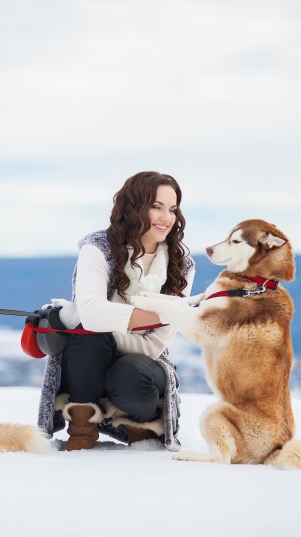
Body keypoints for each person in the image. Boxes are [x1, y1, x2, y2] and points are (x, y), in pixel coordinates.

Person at [36, 171, 196, 451]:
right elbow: (92, 315)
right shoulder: (99, 248)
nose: (166, 218)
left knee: (130, 370)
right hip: (89, 357)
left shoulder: (181, 264)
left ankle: (139, 429)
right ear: (134, 206)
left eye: (172, 209)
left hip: (143, 363)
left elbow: (154, 345)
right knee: (87, 335)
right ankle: (82, 430)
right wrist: (168, 313)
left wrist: (108, 327)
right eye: (156, 206)